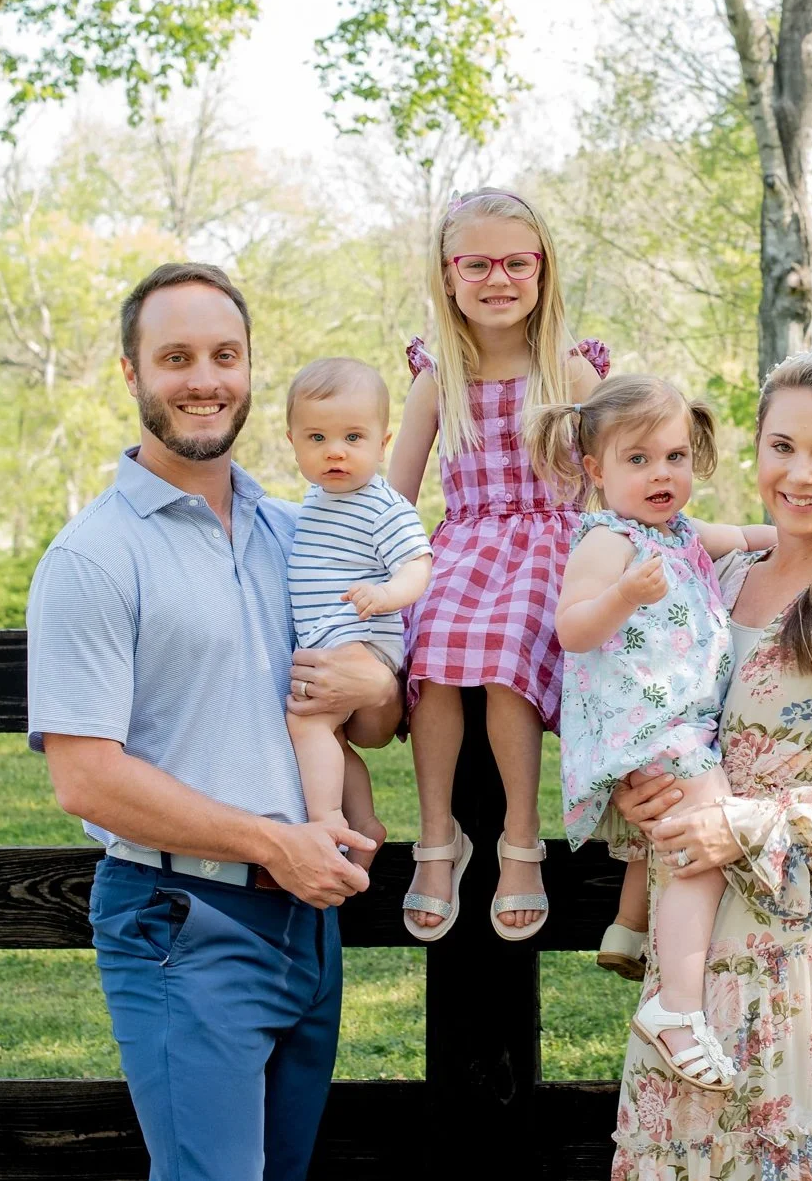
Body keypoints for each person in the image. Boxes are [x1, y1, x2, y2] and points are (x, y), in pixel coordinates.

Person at [26, 262, 401, 1181]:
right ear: (132, 373)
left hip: (307, 919)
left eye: (225, 356)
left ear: (249, 369)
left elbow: (371, 725)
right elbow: (86, 778)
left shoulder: (296, 533)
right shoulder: (93, 557)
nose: (205, 379)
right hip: (182, 920)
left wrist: (375, 681)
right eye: (176, 358)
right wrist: (275, 844)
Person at [605, 349, 812, 1181]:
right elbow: (644, 704)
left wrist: (746, 824)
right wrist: (635, 792)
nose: (799, 474)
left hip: (795, 949)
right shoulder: (715, 577)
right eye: (782, 446)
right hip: (685, 955)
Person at [528, 374, 775, 1093]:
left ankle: (629, 928)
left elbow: (754, 537)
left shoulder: (685, 533)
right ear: (596, 470)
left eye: (674, 457)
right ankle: (677, 1006)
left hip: (679, 720)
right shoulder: (607, 541)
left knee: (678, 833)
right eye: (637, 460)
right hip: (644, 724)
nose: (661, 474)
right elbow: (573, 629)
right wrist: (623, 594)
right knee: (704, 841)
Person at [388, 188, 607, 943]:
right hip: (463, 545)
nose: (498, 279)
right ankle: (437, 835)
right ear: (448, 276)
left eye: (517, 263)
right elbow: (394, 499)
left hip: (555, 545)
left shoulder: (570, 375)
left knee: (509, 643)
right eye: (476, 264)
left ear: (543, 270)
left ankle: (520, 835)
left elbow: (619, 481)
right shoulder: (438, 379)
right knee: (433, 644)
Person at [283, 357, 433, 848]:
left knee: (307, 720)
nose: (335, 451)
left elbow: (418, 564)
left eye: (353, 437)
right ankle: (363, 822)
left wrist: (385, 594)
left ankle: (326, 818)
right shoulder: (315, 500)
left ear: (381, 444)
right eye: (317, 438)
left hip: (360, 636)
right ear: (293, 442)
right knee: (330, 735)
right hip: (334, 638)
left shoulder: (381, 504)